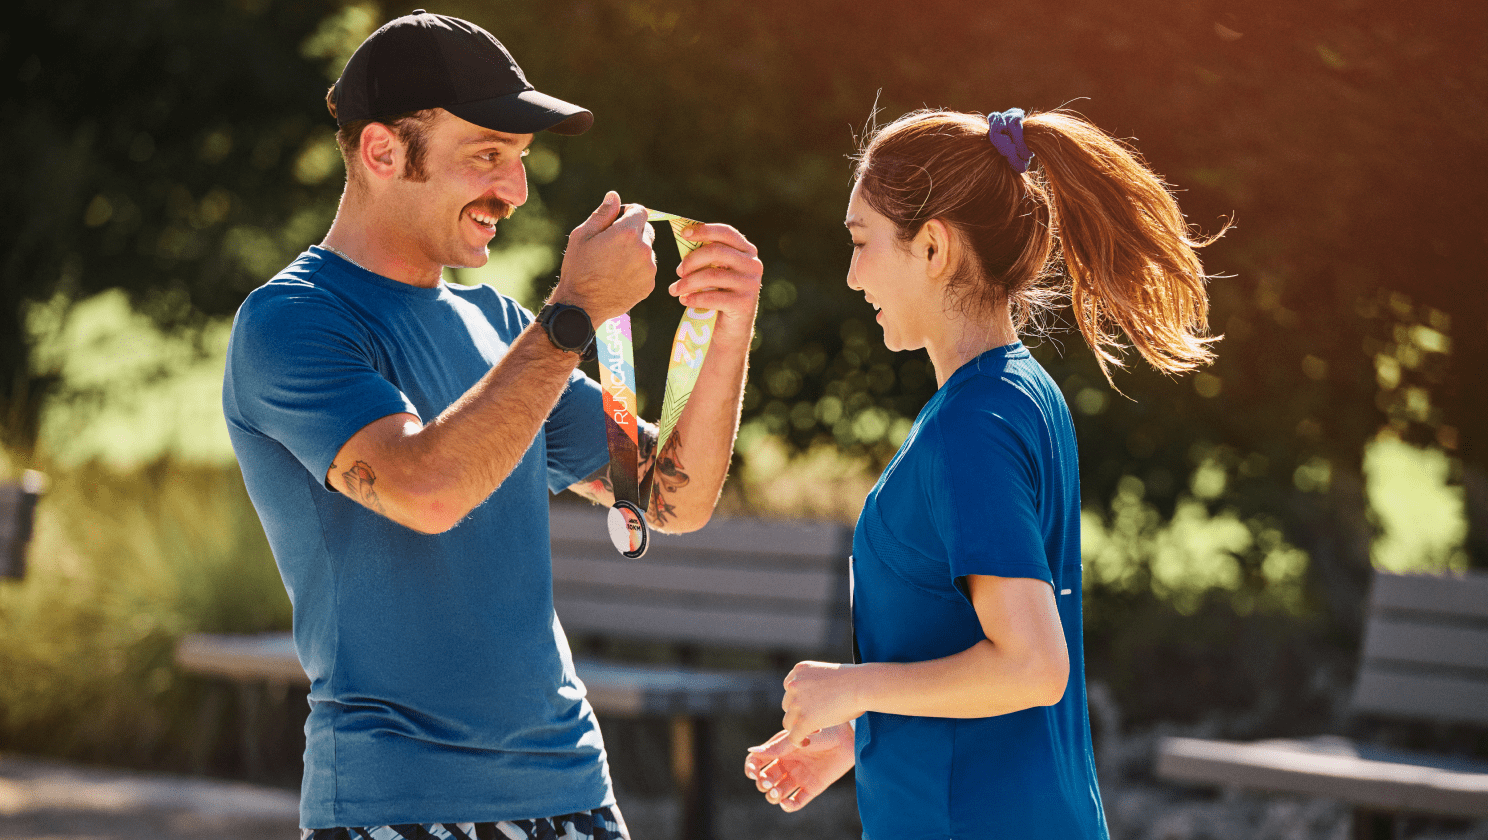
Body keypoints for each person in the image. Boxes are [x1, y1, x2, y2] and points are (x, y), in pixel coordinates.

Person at [222, 10, 762, 838]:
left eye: (520, 160)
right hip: (401, 804)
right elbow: (427, 490)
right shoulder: (292, 322)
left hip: (573, 789)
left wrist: (727, 333)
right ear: (381, 152)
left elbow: (669, 498)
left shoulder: (503, 328)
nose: (513, 191)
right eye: (486, 156)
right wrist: (574, 311)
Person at [743, 107, 1222, 839]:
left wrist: (854, 687)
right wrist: (860, 738)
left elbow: (1031, 666)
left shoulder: (973, 428)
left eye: (863, 242)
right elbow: (962, 648)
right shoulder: (1014, 394)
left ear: (932, 247)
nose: (851, 275)